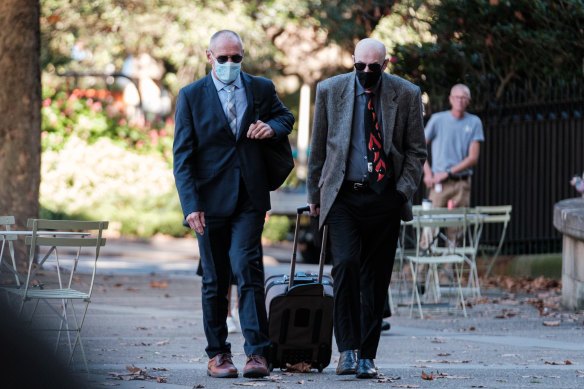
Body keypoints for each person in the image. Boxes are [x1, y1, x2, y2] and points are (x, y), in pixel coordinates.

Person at [173, 30, 294, 379]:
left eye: (236, 58)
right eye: (222, 58)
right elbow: (182, 156)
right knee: (215, 278)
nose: (230, 64)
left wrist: (270, 127)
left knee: (247, 268)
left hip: (250, 197)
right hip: (208, 203)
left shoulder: (261, 88)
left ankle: (257, 353)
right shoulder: (191, 96)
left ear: (243, 56)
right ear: (209, 56)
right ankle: (218, 355)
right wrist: (190, 205)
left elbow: (286, 119)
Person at [307, 38, 426, 379]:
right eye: (361, 66)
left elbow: (416, 151)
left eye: (374, 67)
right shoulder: (331, 90)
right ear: (352, 61)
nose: (367, 72)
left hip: (383, 197)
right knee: (344, 265)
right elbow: (318, 148)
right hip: (343, 195)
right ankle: (346, 350)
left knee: (375, 278)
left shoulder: (406, 94)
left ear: (385, 65)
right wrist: (315, 195)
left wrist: (401, 191)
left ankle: (367, 356)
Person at [423, 84, 484, 210]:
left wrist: (448, 172)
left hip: (461, 184)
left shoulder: (474, 122)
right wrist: (427, 173)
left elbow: (473, 158)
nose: (460, 101)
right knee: (430, 226)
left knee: (457, 227)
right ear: (450, 99)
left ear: (468, 100)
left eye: (463, 97)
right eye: (457, 97)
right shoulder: (437, 119)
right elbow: (418, 148)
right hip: (438, 183)